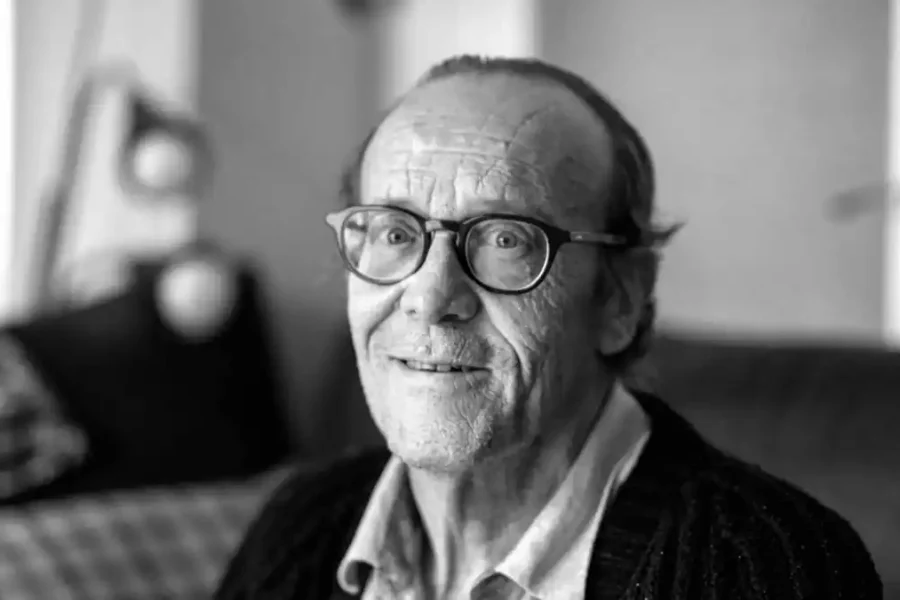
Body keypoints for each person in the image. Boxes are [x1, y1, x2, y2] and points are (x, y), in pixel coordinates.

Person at [214, 55, 883, 600]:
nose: (431, 296)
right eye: (394, 232)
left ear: (619, 297)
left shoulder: (761, 567)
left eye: (505, 238)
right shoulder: (299, 530)